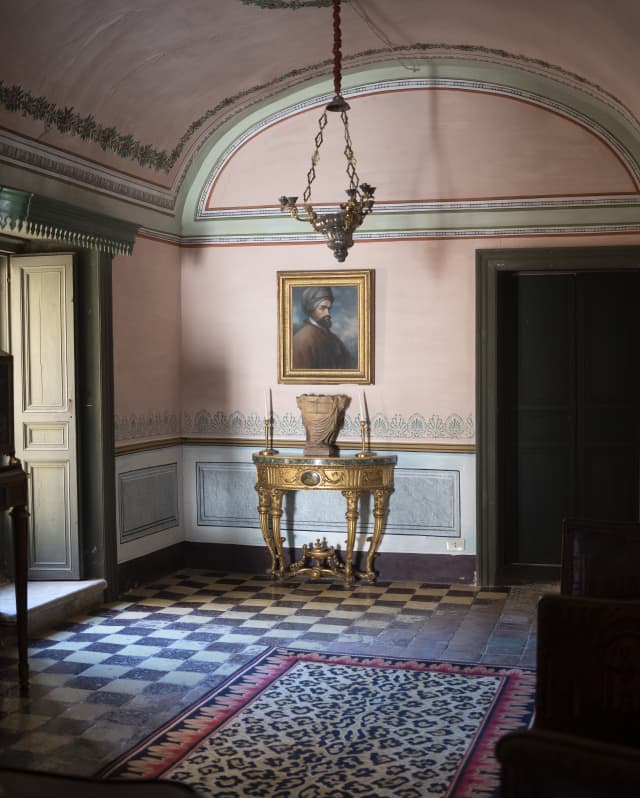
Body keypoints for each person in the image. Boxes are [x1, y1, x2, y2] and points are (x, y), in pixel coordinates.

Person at [292, 286, 355, 369]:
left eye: (329, 309)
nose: (328, 313)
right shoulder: (301, 339)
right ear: (311, 310)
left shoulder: (334, 338)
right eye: (323, 308)